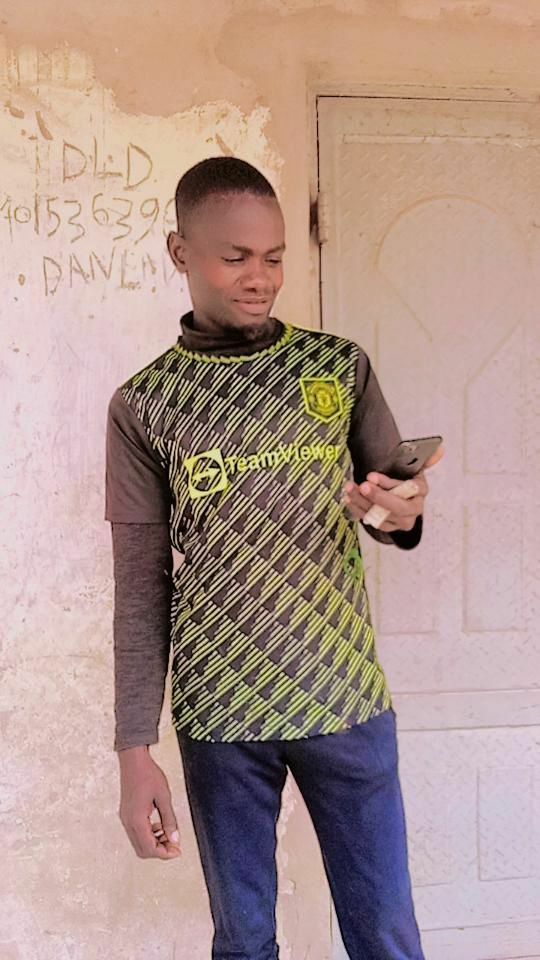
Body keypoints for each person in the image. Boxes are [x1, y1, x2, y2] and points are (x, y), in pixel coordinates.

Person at [106, 156, 438, 960]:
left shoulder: (337, 368)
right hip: (222, 718)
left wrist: (400, 513)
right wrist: (133, 752)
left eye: (275, 257)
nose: (260, 278)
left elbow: (391, 504)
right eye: (236, 258)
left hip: (345, 700)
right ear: (181, 252)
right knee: (245, 942)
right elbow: (140, 585)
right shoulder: (144, 406)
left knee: (385, 937)